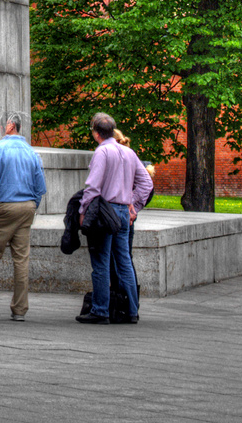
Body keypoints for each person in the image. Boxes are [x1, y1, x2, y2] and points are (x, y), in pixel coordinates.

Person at [76, 111, 153, 326]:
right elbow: (147, 183)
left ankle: (100, 310)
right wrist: (133, 205)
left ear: (95, 133)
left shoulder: (102, 152)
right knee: (124, 261)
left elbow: (92, 187)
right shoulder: (128, 152)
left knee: (101, 262)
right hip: (121, 212)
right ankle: (131, 311)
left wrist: (83, 212)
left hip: (105, 211)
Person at [0, 112, 47, 323]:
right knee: (21, 259)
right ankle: (19, 310)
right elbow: (40, 188)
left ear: (9, 126)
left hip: (3, 208)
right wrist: (32, 206)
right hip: (26, 208)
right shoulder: (32, 153)